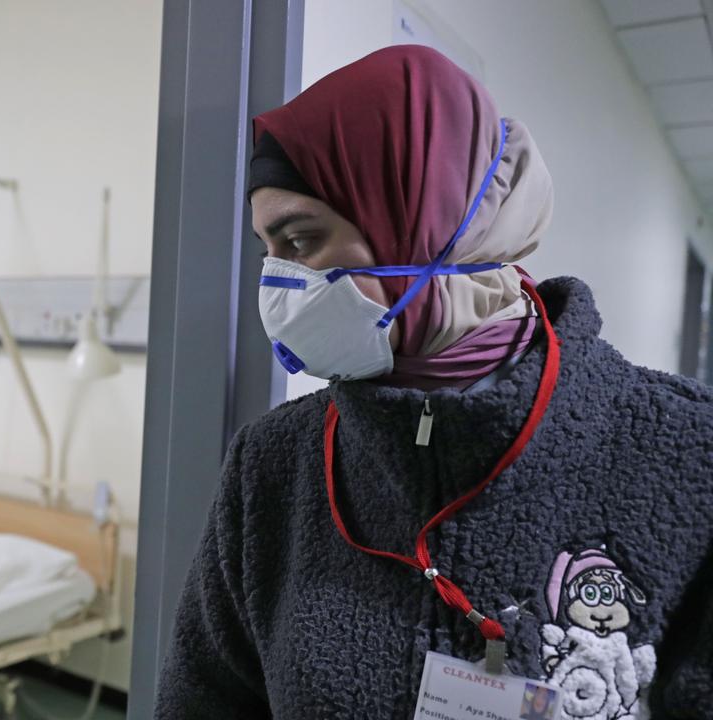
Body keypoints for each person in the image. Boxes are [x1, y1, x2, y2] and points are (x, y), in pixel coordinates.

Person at [156, 45, 713, 719]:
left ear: (430, 222)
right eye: (268, 251)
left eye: (300, 242)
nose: (278, 284)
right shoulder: (271, 466)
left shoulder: (688, 449)